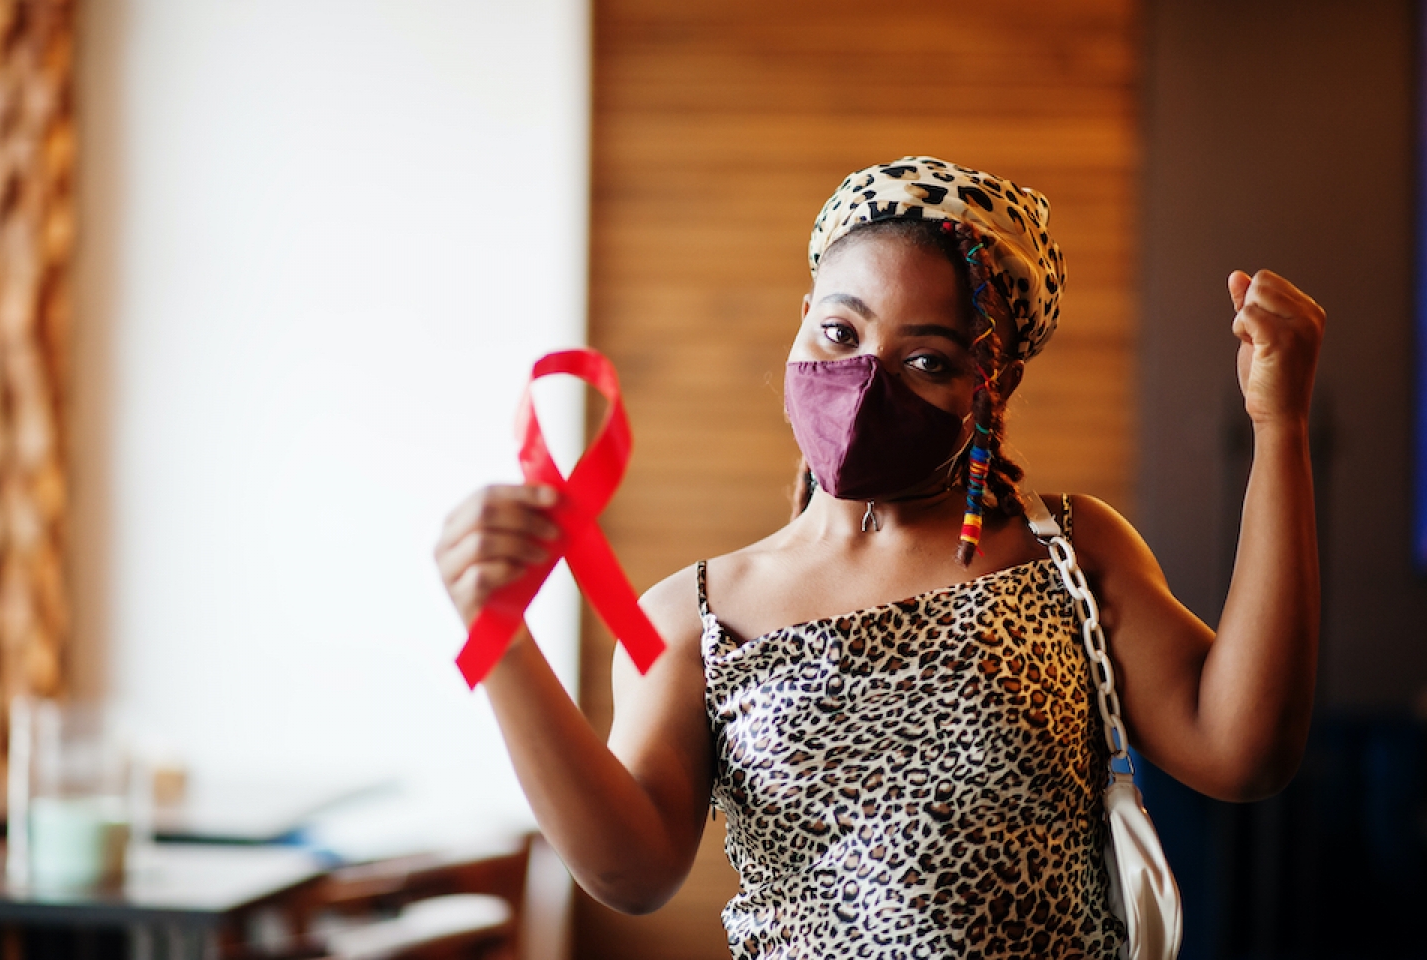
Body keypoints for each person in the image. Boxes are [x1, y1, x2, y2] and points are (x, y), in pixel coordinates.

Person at [434, 157, 1323, 958]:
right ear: (802, 326)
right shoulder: (696, 615)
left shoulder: (1070, 555)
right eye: (839, 333)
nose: (864, 383)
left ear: (992, 385)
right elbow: (632, 873)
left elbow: (1243, 751)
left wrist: (1278, 426)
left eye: (926, 359)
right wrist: (505, 645)